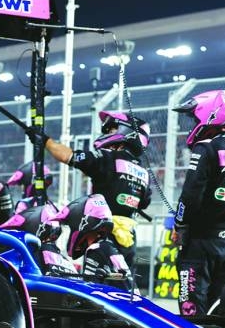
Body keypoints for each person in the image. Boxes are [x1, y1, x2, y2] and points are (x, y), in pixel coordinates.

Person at [169, 89, 225, 319]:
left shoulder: (206, 148)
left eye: (194, 118)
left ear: (209, 115)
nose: (192, 125)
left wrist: (179, 225)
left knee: (192, 313)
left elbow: (190, 194)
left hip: (200, 245)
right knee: (219, 313)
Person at [33, 111, 152, 269]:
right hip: (129, 239)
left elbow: (68, 156)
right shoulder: (144, 173)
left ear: (127, 131)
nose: (108, 133)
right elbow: (144, 202)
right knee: (124, 281)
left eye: (112, 129)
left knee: (98, 281)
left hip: (102, 232)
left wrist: (44, 140)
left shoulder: (108, 158)